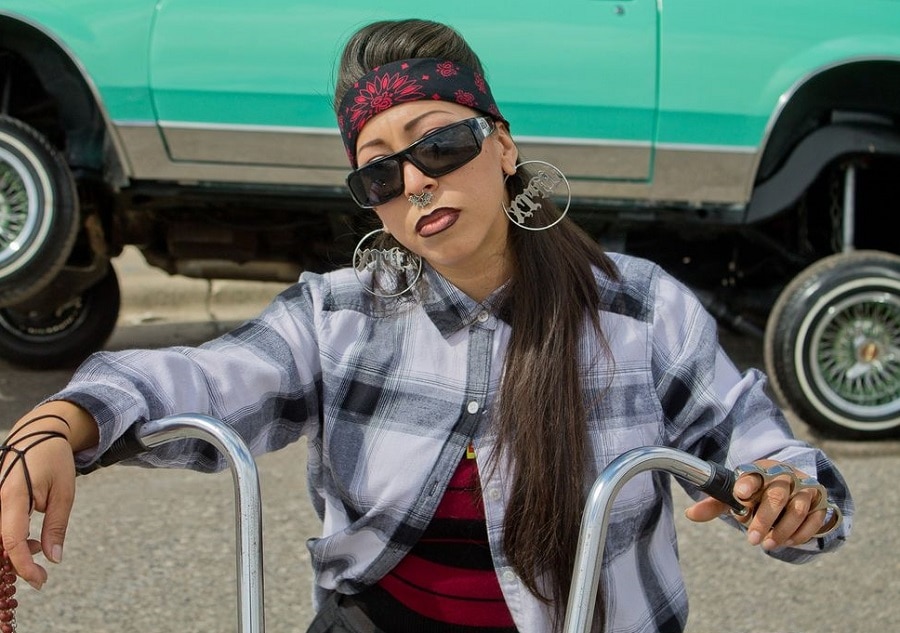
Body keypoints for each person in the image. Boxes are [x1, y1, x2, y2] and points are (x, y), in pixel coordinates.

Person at [0, 18, 852, 633]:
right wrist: (57, 422)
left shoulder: (640, 307)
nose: (415, 180)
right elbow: (198, 377)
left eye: (439, 143)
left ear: (504, 145)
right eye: (380, 171)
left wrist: (786, 496)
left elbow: (765, 450)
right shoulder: (338, 315)